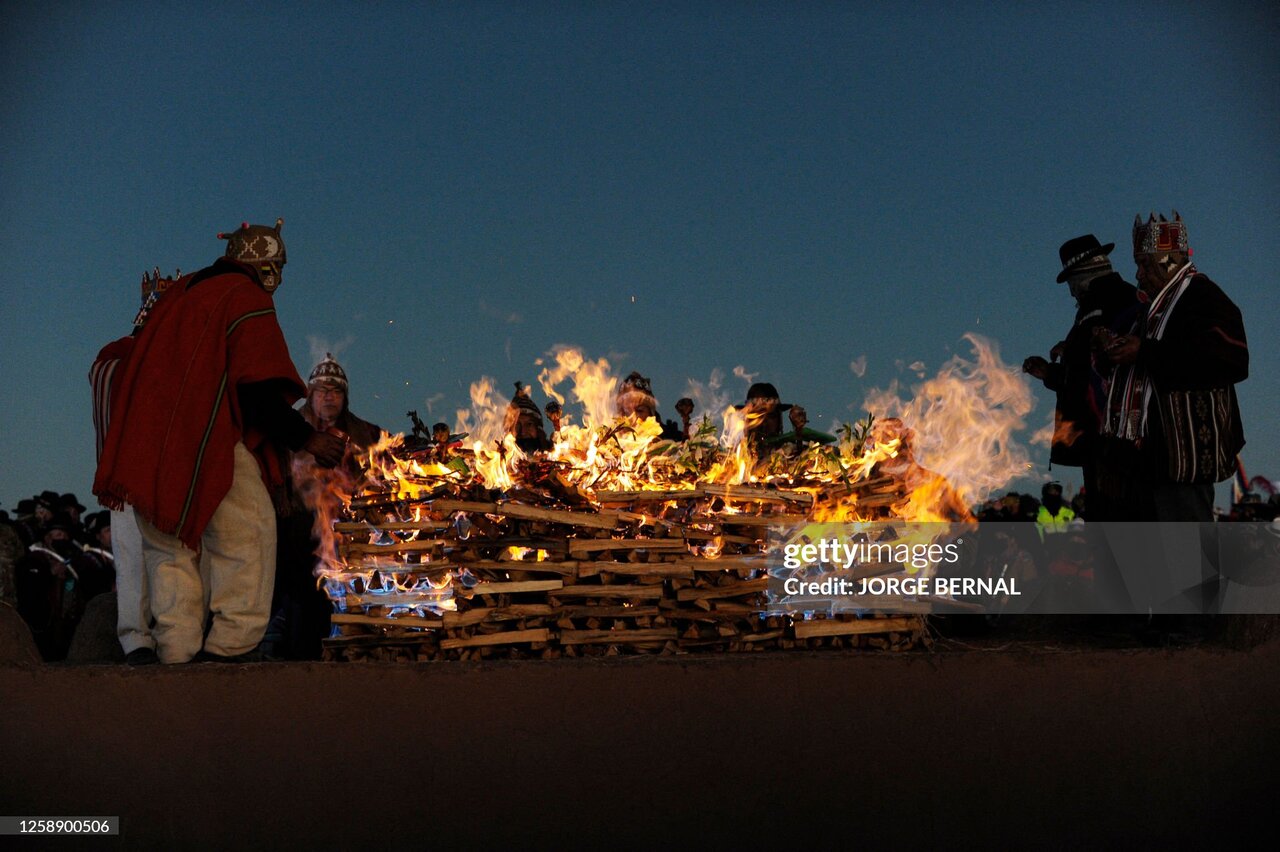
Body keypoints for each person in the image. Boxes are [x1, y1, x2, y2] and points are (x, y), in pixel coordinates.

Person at [93, 219, 345, 664]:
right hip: (207, 442)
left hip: (149, 449)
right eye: (278, 266)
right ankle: (229, 648)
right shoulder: (241, 296)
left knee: (168, 552)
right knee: (248, 535)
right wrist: (306, 438)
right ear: (264, 265)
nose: (279, 279)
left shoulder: (182, 295)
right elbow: (255, 386)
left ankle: (176, 653)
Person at [1104, 212, 1249, 521]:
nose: (1139, 275)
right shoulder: (1150, 311)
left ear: (1170, 261)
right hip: (1150, 462)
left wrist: (1145, 351)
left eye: (1146, 264)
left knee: (1189, 558)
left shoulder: (1204, 297)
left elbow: (1230, 360)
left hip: (1186, 457)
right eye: (1138, 265)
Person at [88, 267, 179, 665]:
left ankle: (175, 636)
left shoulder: (182, 361)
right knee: (132, 560)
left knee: (176, 559)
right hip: (127, 476)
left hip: (169, 477)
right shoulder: (116, 355)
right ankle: (136, 639)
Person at [272, 354, 384, 659]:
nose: (329, 396)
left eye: (336, 391)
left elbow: (382, 469)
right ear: (310, 395)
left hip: (346, 528)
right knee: (299, 595)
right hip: (297, 525)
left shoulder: (367, 435)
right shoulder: (290, 429)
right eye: (321, 390)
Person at [1023, 234, 1138, 520]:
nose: (1072, 292)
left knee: (1115, 523)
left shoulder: (1111, 302)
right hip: (1102, 440)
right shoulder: (1102, 304)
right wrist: (1051, 373)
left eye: (1071, 283)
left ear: (1082, 276)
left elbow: (1100, 372)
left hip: (1110, 440)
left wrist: (1061, 367)